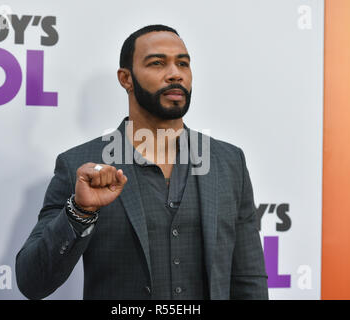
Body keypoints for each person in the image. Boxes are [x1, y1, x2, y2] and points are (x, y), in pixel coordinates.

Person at [15, 24, 268, 300]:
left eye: (183, 63)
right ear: (126, 79)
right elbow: (32, 282)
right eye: (157, 63)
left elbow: (248, 279)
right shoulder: (78, 166)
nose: (175, 74)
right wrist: (80, 211)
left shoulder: (228, 162)